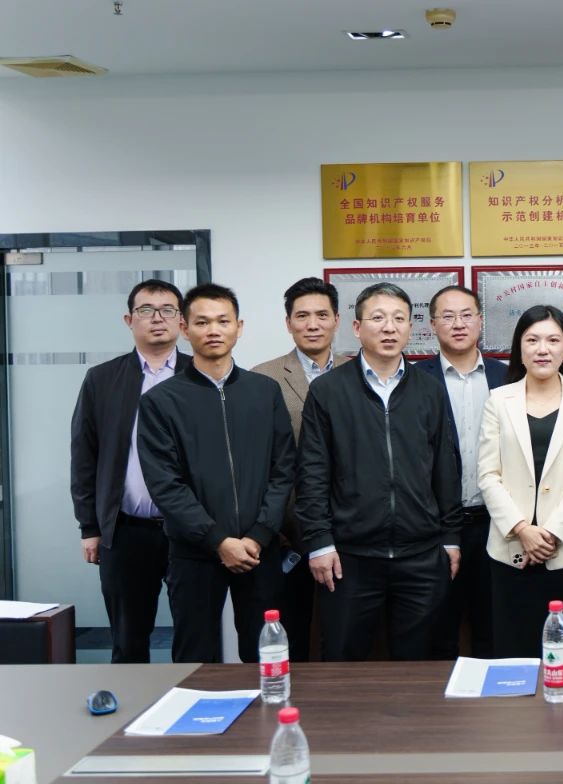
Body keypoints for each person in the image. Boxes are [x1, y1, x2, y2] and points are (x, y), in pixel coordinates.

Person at [296, 282, 463, 661]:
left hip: (421, 554)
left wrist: (451, 537)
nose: (389, 327)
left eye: (399, 319)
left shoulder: (430, 389)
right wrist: (319, 541)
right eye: (378, 318)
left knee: (420, 663)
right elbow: (313, 472)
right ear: (357, 328)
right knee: (342, 659)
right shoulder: (328, 390)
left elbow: (445, 467)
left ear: (410, 328)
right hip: (350, 557)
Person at [137, 283, 295, 663]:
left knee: (265, 653)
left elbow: (283, 468)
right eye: (202, 322)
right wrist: (218, 540)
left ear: (238, 327)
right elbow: (165, 484)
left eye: (223, 321)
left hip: (259, 549)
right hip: (194, 552)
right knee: (195, 657)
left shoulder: (265, 391)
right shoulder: (161, 401)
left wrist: (258, 535)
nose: (213, 330)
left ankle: (265, 706)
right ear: (184, 328)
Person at [71, 279, 191, 663]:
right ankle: (130, 704)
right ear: (129, 319)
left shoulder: (199, 375)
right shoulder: (102, 379)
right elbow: (85, 456)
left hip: (190, 531)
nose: (157, 318)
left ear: (181, 320)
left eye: (167, 310)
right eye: (145, 310)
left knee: (194, 636)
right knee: (128, 640)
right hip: (125, 531)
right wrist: (90, 527)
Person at [477, 305, 563, 658]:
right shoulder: (499, 400)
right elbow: (487, 474)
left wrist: (550, 533)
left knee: (562, 652)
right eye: (532, 340)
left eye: (552, 340)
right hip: (508, 549)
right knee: (512, 650)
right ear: (520, 348)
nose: (542, 349)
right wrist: (522, 529)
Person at [251, 276, 349, 663]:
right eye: (302, 316)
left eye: (322, 315)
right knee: (290, 633)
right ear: (288, 322)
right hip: (286, 532)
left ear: (337, 320)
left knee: (341, 636)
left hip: (349, 529)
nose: (312, 324)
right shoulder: (263, 377)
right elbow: (258, 462)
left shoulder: (357, 372)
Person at [418, 285, 507, 660]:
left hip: (497, 525)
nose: (458, 324)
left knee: (495, 628)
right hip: (437, 528)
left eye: (467, 315)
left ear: (480, 321)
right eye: (448, 316)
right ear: (432, 325)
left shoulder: (507, 377)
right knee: (438, 632)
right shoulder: (415, 379)